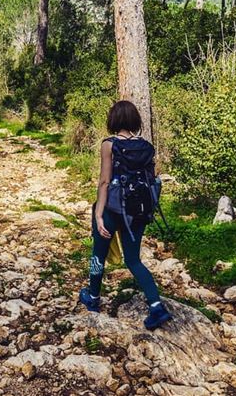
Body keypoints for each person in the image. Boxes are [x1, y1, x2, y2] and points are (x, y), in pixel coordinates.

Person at [78, 100, 172, 330]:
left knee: (99, 254)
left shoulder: (109, 145)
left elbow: (104, 182)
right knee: (133, 260)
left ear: (113, 120)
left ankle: (93, 297)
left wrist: (98, 215)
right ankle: (156, 306)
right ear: (134, 120)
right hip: (137, 212)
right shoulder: (146, 146)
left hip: (112, 209)